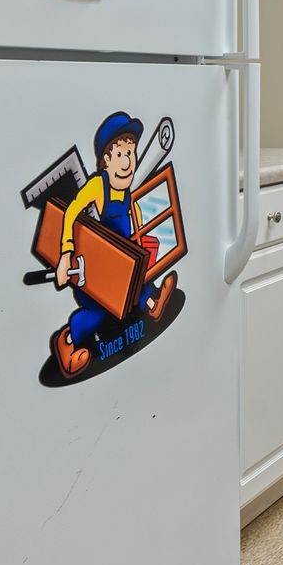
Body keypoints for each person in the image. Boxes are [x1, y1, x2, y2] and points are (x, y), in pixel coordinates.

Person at [50, 110, 175, 374]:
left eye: (131, 153)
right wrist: (65, 255)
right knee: (97, 311)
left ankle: (153, 304)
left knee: (139, 285)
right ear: (106, 159)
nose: (128, 161)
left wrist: (141, 239)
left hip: (121, 261)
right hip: (95, 265)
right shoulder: (99, 186)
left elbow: (134, 218)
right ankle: (68, 341)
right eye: (120, 154)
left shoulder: (126, 192)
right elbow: (71, 213)